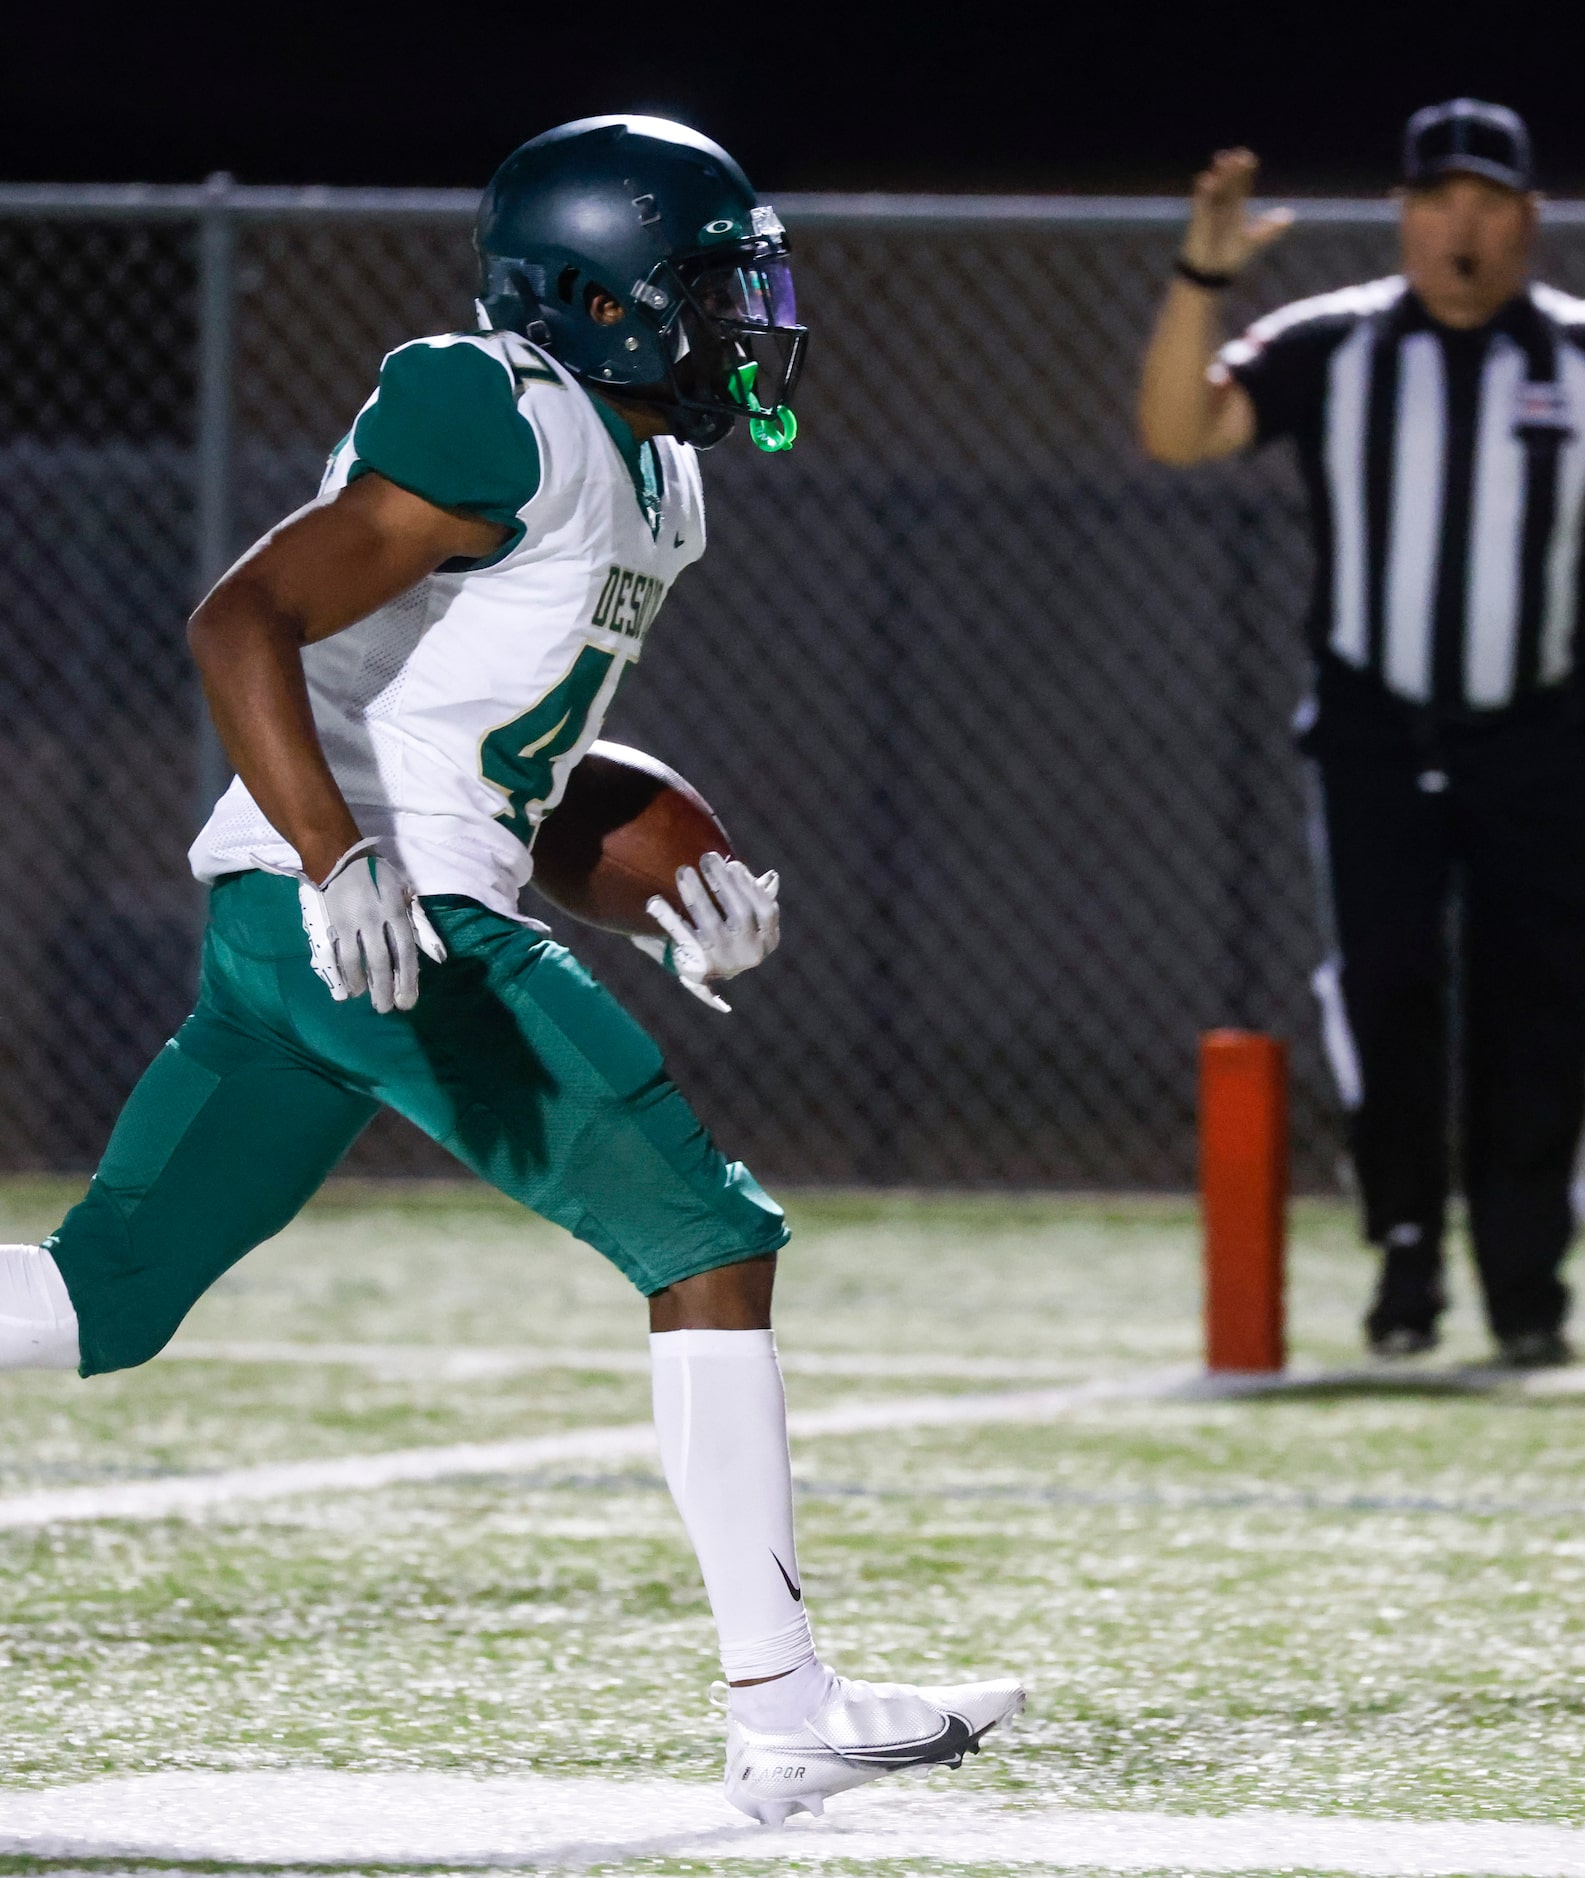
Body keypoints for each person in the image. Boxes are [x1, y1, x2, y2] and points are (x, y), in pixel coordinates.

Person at [0, 115, 1020, 1822]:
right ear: (605, 295)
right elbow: (238, 620)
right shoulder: (497, 406)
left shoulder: (653, 478)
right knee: (706, 1235)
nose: (743, 318)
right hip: (363, 911)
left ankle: (787, 1698)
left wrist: (666, 874)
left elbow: (514, 768)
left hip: (322, 912)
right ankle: (782, 1704)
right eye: (710, 286)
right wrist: (340, 855)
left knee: (106, 1291)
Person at [1137, 102, 1585, 1365]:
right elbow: (1177, 432)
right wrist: (1202, 276)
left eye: (1487, 202)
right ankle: (1409, 1258)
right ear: (1403, 214)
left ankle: (1528, 1285)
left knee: (1541, 1004)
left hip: (1539, 733)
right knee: (1387, 991)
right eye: (1438, 201)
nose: (1462, 227)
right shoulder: (1334, 345)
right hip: (1376, 729)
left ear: (1528, 220)